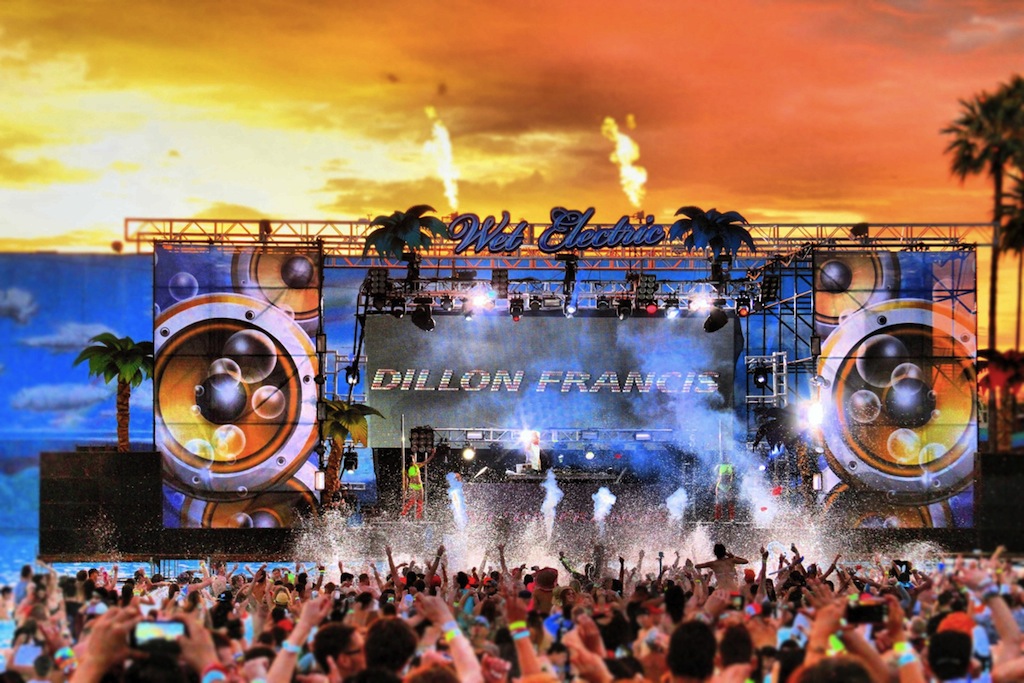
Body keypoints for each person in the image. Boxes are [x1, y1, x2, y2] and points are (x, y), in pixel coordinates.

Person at [401, 447, 438, 520]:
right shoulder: (405, 470)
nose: (414, 460)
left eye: (414, 459)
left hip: (419, 486)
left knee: (420, 501)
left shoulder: (417, 465)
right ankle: (403, 513)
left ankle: (418, 516)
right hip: (413, 486)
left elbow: (426, 461)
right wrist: (405, 490)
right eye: (413, 459)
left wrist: (432, 454)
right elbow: (406, 480)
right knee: (412, 500)